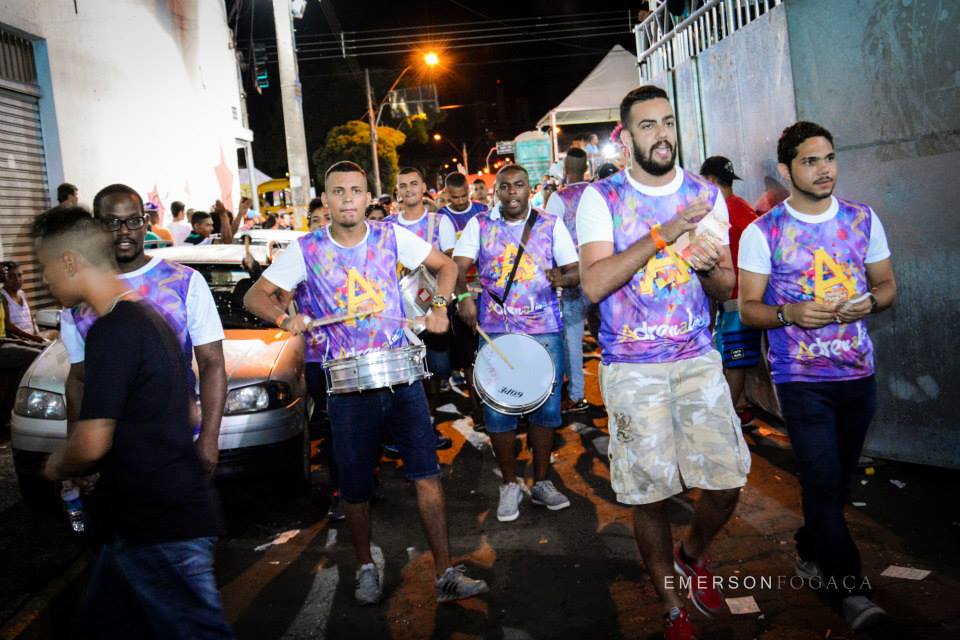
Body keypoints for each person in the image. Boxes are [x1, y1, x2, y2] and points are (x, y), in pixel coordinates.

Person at [244, 161, 488, 605]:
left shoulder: (391, 236)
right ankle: (365, 567)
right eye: (339, 192)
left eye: (356, 191)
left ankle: (446, 572)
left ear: (368, 196)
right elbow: (254, 294)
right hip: (347, 387)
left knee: (427, 475)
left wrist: (437, 304)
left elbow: (447, 267)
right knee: (355, 487)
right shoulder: (306, 249)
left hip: (401, 376)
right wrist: (286, 317)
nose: (348, 199)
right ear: (326, 199)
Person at [577, 85, 750, 640]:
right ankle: (672, 608)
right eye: (648, 125)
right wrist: (666, 232)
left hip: (697, 358)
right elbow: (596, 283)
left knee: (727, 482)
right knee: (649, 491)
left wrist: (708, 269)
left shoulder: (706, 195)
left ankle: (691, 554)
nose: (662, 134)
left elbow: (727, 286)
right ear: (626, 138)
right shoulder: (601, 199)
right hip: (632, 365)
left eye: (668, 122)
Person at [35, 206, 232, 639]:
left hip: (160, 525)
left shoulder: (113, 332)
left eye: (45, 267)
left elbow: (92, 443)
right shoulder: (145, 317)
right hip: (140, 518)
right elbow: (185, 410)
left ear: (69, 261)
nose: (44, 280)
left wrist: (56, 465)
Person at [738, 122, 896, 632]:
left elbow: (887, 285)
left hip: (857, 372)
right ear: (786, 171)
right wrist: (791, 314)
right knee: (822, 479)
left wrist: (868, 303)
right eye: (810, 161)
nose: (824, 168)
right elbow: (748, 310)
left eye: (829, 157)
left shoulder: (862, 219)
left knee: (837, 482)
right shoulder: (765, 232)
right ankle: (850, 589)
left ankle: (810, 547)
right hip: (800, 377)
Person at [60, 184, 226, 473]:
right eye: (112, 222)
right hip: (110, 453)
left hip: (177, 442)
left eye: (133, 220)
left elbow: (212, 363)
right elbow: (77, 381)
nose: (124, 230)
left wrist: (210, 439)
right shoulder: (80, 296)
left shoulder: (184, 282)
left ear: (145, 224)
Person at [454, 164, 579, 522]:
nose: (512, 192)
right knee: (499, 410)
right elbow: (456, 267)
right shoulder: (479, 226)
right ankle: (509, 483)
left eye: (519, 186)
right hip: (496, 333)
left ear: (529, 190)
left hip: (544, 330)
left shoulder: (550, 225)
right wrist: (463, 297)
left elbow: (575, 270)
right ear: (496, 192)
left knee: (546, 410)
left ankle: (541, 482)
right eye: (505, 186)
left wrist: (563, 277)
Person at [700, 156, 761, 425]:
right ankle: (740, 405)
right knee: (733, 356)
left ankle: (728, 416)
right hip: (735, 299)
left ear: (711, 181)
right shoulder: (743, 208)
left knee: (735, 359)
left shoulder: (724, 212)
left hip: (737, 300)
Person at [438, 172, 489, 427]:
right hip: (461, 292)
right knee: (469, 355)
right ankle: (476, 405)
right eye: (453, 198)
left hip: (487, 290)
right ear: (446, 194)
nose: (458, 202)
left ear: (469, 191)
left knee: (491, 350)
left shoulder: (483, 211)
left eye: (462, 197)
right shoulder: (441, 218)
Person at [545, 148, 590, 413]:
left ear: (565, 170)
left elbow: (549, 240)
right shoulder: (599, 193)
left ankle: (576, 394)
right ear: (586, 167)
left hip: (571, 276)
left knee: (572, 337)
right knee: (605, 333)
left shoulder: (558, 199)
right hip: (603, 272)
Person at [1, 262, 44, 342]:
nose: (17, 279)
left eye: (19, 275)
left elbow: (31, 318)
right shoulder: (3, 296)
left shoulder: (22, 293)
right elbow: (8, 326)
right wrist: (32, 338)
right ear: (4, 279)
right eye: (11, 276)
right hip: (19, 341)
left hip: (32, 338)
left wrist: (36, 334)